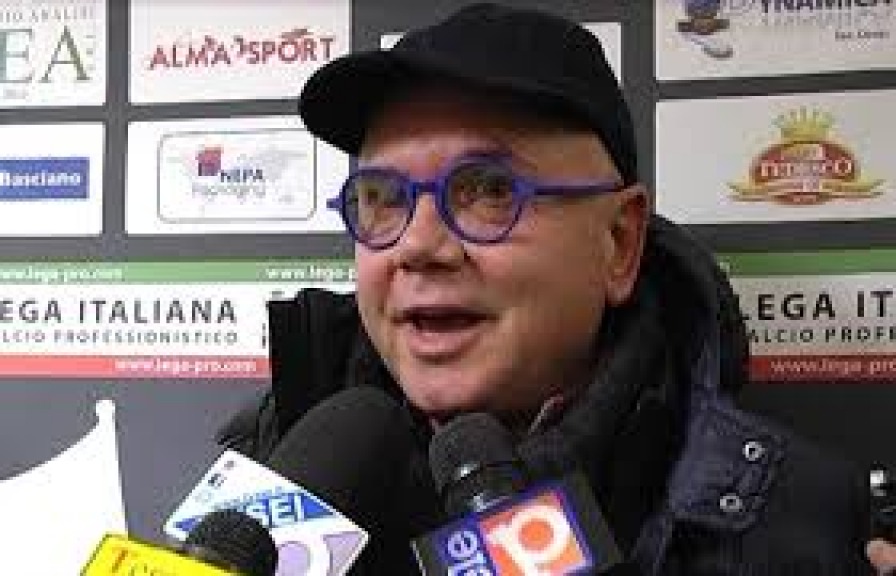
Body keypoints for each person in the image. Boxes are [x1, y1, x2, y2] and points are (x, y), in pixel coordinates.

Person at [218, 4, 877, 574]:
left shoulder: (798, 524)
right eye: (382, 197)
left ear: (618, 243)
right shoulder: (272, 458)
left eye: (489, 190)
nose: (417, 246)